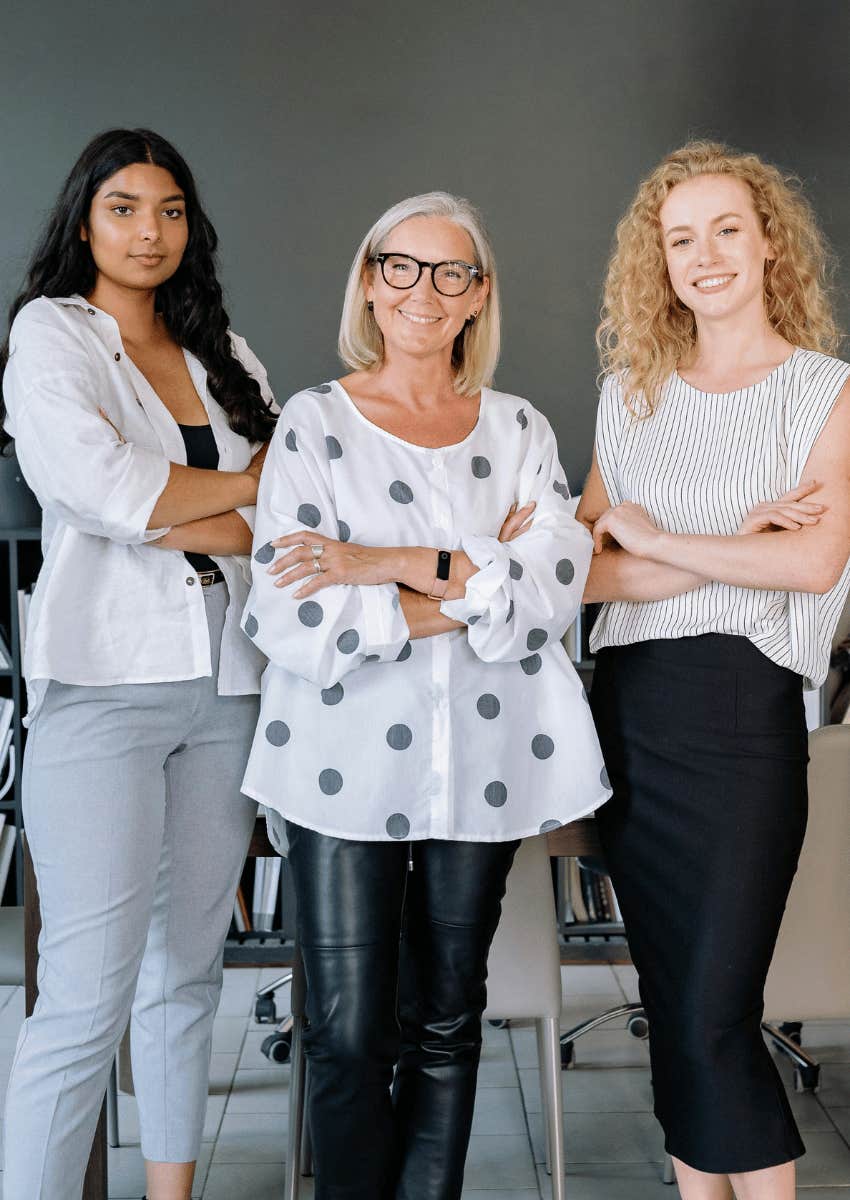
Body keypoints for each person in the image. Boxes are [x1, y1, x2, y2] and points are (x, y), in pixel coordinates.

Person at [240, 190, 609, 1199]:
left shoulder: (519, 427)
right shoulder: (313, 425)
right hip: (340, 762)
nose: (423, 290)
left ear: (476, 297)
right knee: (346, 1031)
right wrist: (478, 580)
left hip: (482, 769)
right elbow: (291, 618)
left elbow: (553, 591)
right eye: (401, 266)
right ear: (369, 279)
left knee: (447, 1020)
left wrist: (387, 562)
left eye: (451, 273)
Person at [0, 128, 276, 1200]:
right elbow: (105, 493)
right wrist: (239, 497)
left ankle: (170, 1193)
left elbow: (295, 512)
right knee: (84, 993)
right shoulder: (51, 336)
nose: (148, 231)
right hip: (105, 689)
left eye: (168, 210)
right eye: (123, 208)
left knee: (187, 969)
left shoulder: (228, 352)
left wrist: (182, 508)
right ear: (84, 220)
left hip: (230, 681)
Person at [577, 140, 850, 1200]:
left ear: (769, 240)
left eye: (725, 228)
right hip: (634, 711)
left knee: (714, 1008)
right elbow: (582, 577)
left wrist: (660, 538)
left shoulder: (823, 390)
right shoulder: (628, 395)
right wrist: (724, 543)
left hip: (742, 713)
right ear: (660, 263)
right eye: (679, 238)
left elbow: (814, 559)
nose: (704, 255)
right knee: (670, 999)